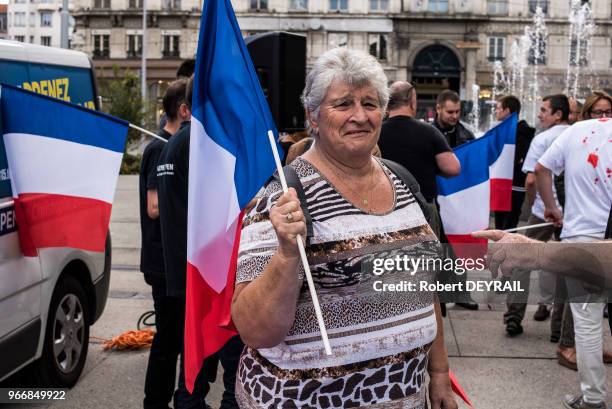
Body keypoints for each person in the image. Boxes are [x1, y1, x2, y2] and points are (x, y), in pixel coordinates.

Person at [231, 48, 457, 409]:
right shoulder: (281, 197)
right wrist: (288, 254)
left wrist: (441, 374)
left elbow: (425, 288)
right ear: (314, 116)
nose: (359, 116)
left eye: (370, 103)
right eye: (342, 104)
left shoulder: (404, 182)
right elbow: (255, 330)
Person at [156, 76, 243, 409]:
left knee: (195, 361)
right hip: (212, 277)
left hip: (187, 270)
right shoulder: (203, 145)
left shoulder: (174, 143)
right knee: (231, 367)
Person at [535, 117, 612, 409]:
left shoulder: (576, 131)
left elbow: (541, 169)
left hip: (581, 236)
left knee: (588, 323)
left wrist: (553, 209)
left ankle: (593, 398)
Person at [139, 79, 190, 409]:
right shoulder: (161, 147)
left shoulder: (172, 144)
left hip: (172, 260)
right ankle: (155, 402)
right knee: (168, 340)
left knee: (177, 337)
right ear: (182, 110)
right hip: (163, 261)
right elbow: (154, 207)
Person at [503, 94, 570, 336]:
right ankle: (559, 328)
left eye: (544, 110)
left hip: (544, 210)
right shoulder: (576, 135)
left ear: (557, 114)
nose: (540, 114)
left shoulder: (543, 139)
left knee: (522, 260)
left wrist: (534, 205)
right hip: (571, 214)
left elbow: (531, 179)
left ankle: (514, 315)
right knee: (568, 268)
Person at [379, 81, 460, 238]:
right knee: (429, 259)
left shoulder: (375, 133)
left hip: (386, 209)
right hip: (423, 209)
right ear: (412, 102)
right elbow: (453, 168)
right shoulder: (429, 132)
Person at [492, 95, 535, 230]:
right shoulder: (502, 131)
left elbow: (516, 158)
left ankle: (509, 251)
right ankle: (501, 250)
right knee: (500, 224)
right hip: (502, 183)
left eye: (498, 108)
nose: (496, 111)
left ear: (507, 111)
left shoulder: (522, 133)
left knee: (509, 225)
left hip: (514, 186)